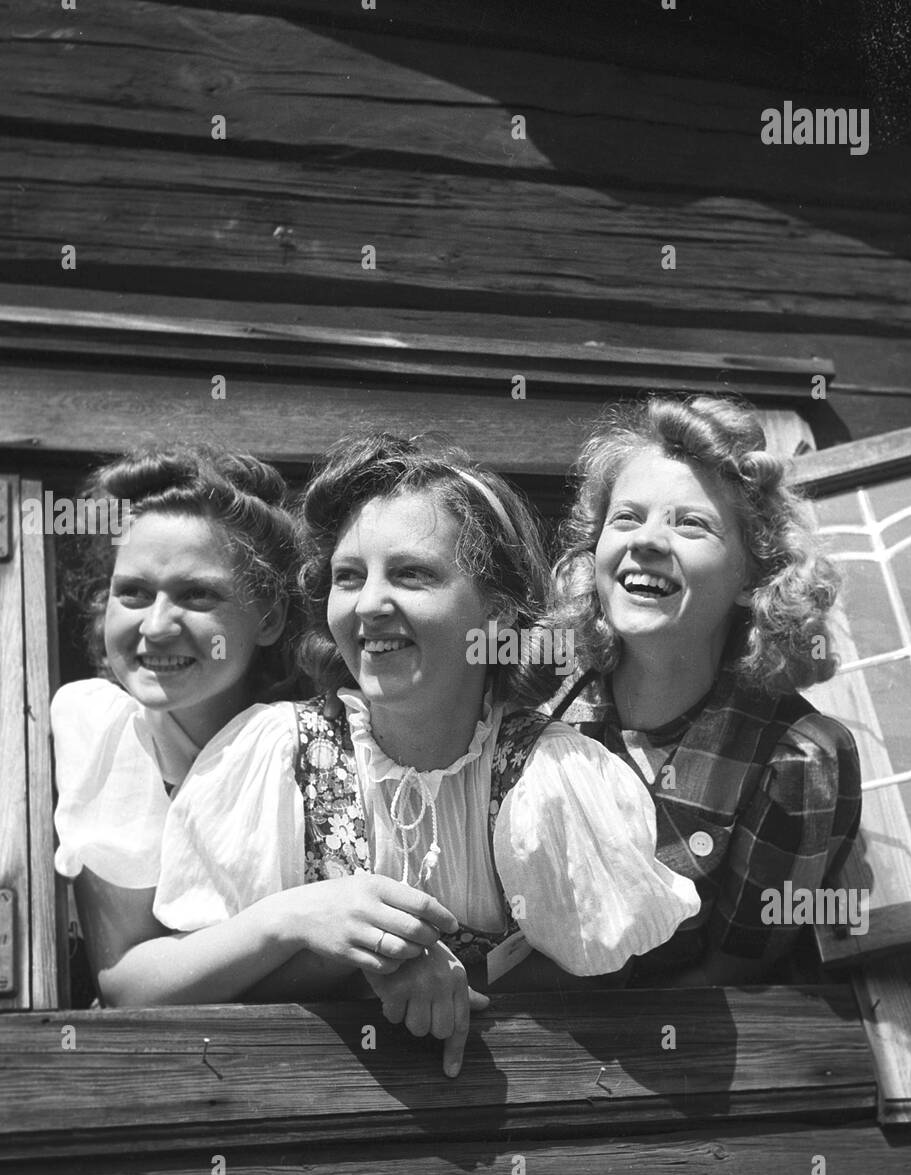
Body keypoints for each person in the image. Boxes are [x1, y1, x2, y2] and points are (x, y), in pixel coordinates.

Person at [151, 432, 700, 1074]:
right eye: (348, 577)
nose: (369, 605)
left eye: (412, 574)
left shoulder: (552, 779)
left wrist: (458, 985)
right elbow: (144, 991)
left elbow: (606, 987)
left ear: (496, 612)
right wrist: (299, 922)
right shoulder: (272, 755)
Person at [545, 394, 862, 986]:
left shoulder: (797, 759)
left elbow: (732, 970)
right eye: (626, 518)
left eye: (690, 523)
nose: (647, 541)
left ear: (753, 578)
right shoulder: (541, 704)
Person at [50, 442, 307, 1004]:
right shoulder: (109, 733)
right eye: (134, 593)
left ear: (268, 617)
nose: (158, 626)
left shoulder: (308, 740)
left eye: (196, 594)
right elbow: (128, 983)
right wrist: (293, 920)